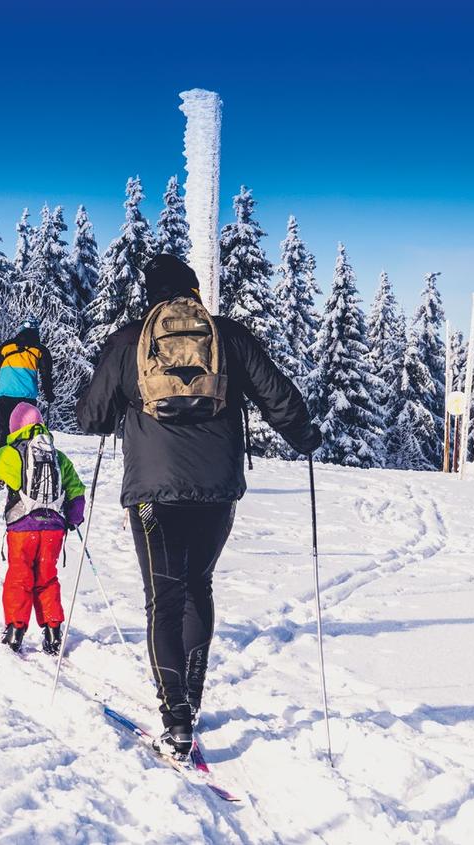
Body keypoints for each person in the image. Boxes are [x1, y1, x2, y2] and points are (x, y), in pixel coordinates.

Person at [76, 254, 322, 757]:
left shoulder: (130, 340)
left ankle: (176, 720)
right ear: (193, 292)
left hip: (152, 494)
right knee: (197, 587)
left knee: (163, 600)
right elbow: (281, 398)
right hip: (217, 489)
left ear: (151, 295)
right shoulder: (227, 337)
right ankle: (190, 696)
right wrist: (306, 437)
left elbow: (91, 416)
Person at [0, 402, 86, 654]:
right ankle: (53, 631)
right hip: (54, 530)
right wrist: (74, 517)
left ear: (15, 427)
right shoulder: (57, 455)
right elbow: (76, 489)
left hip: (23, 529)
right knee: (46, 578)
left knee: (19, 578)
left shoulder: (11, 454)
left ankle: (15, 631)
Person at [0, 317, 54, 450]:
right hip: (26, 396)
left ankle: (2, 459)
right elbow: (46, 375)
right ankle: (24, 460)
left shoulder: (6, 346)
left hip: (5, 394)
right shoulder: (40, 350)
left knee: (4, 432)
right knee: (26, 431)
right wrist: (49, 394)